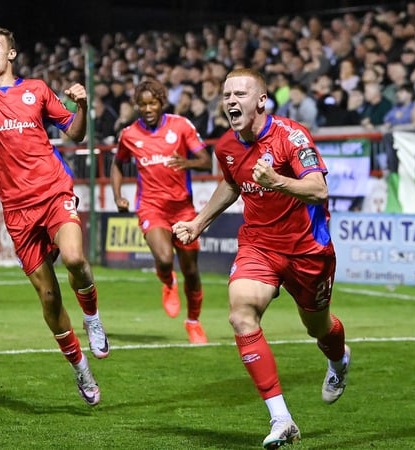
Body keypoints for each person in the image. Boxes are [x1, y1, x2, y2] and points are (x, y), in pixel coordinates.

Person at [172, 68, 350, 449]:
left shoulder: (291, 136)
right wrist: (199, 222)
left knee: (318, 327)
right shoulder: (226, 146)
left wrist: (278, 182)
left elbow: (318, 190)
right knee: (240, 314)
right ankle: (281, 418)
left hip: (307, 251)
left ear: (261, 101)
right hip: (259, 246)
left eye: (239, 94)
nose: (231, 101)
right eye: (226, 95)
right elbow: (233, 183)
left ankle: (338, 360)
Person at [0, 25, 109, 407]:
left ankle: (93, 317)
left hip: (53, 191)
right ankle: (80, 368)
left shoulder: (36, 89)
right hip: (17, 210)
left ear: (11, 53)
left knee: (75, 257)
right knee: (49, 298)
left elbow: (75, 135)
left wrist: (82, 107)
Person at [111, 78, 212, 344]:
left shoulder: (181, 126)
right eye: (142, 104)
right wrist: (118, 196)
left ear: (161, 103)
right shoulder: (129, 134)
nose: (147, 108)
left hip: (184, 209)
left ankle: (193, 323)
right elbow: (118, 164)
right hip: (151, 207)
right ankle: (168, 281)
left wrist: (187, 162)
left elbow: (206, 161)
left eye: (152, 102)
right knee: (165, 259)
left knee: (191, 271)